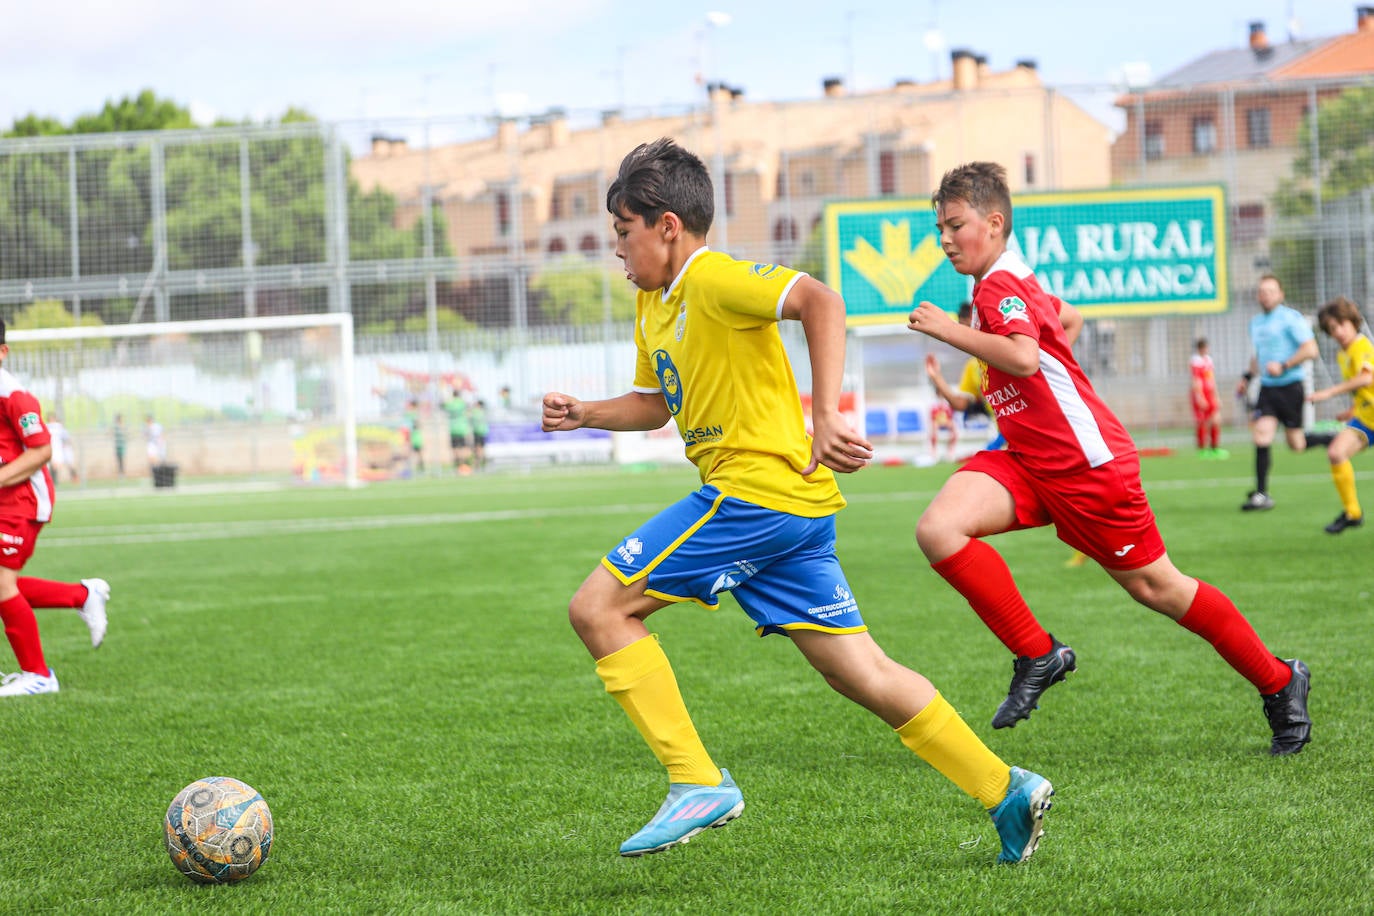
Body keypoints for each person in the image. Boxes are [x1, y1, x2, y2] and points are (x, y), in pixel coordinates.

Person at [541, 139, 1054, 864]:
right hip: (791, 512)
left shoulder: (712, 276)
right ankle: (1005, 789)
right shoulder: (655, 307)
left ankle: (695, 780)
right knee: (866, 675)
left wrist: (825, 415)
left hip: (756, 494)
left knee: (598, 608)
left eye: (623, 234)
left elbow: (820, 299)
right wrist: (587, 412)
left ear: (666, 226)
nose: (617, 252)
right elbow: (657, 406)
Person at [906, 161, 1310, 756]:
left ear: (994, 223)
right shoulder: (1002, 279)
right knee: (939, 529)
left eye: (955, 226)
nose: (944, 239)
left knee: (1159, 589)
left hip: (1088, 468)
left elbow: (1020, 357)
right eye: (939, 227)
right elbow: (1065, 319)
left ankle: (1281, 681)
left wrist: (948, 330)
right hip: (1030, 461)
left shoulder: (998, 285)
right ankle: (1037, 653)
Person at [0, 319, 111, 697]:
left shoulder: (15, 395)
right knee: (3, 585)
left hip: (22, 502)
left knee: (1, 585)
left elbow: (42, 451)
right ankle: (82, 596)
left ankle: (39, 676)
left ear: (2, 352)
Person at [1235, 274, 1331, 510]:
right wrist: (1247, 377)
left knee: (1296, 444)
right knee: (1261, 435)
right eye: (1262, 291)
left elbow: (1311, 349)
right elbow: (1259, 356)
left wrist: (1285, 365)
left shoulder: (1291, 319)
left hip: (1290, 387)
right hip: (1268, 388)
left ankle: (1330, 438)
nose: (1265, 295)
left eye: (1270, 291)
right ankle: (1261, 494)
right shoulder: (1256, 323)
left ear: (1280, 294)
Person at [1309, 296, 1374, 534]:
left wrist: (1328, 392)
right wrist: (1351, 410)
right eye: (1332, 329)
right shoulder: (1341, 354)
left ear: (1352, 322)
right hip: (1367, 419)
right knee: (1336, 452)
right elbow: (1364, 390)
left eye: (1341, 325)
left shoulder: (1362, 346)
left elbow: (1367, 378)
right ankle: (1352, 513)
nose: (1338, 332)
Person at [1190, 339, 1227, 460]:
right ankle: (1202, 449)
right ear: (1200, 349)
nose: (1206, 350)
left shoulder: (1208, 360)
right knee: (1202, 421)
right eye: (1204, 348)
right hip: (1200, 394)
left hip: (1210, 394)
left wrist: (1216, 396)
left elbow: (1211, 379)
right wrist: (1199, 396)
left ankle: (1214, 448)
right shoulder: (1195, 361)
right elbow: (1196, 380)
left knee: (1216, 419)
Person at [443, 390, 473, 475]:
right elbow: (468, 408)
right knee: (463, 448)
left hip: (453, 429)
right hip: (462, 428)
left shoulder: (450, 403)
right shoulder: (462, 403)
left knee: (455, 449)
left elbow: (443, 406)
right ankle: (465, 466)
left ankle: (459, 467)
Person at [46, 414, 78, 484]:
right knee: (53, 465)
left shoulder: (59, 427)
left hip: (61, 449)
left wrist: (66, 445)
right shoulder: (48, 427)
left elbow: (66, 438)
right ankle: (53, 481)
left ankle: (75, 477)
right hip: (52, 449)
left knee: (68, 464)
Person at [403, 399, 425, 475]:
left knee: (416, 453)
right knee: (414, 454)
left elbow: (417, 424)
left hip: (414, 436)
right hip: (414, 436)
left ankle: (419, 469)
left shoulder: (413, 414)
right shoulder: (414, 414)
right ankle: (413, 470)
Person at [470, 399, 489, 470]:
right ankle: (483, 464)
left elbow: (470, 416)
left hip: (477, 432)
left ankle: (477, 465)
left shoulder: (476, 412)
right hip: (483, 432)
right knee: (482, 449)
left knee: (477, 450)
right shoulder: (484, 412)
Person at [112, 413, 127, 478]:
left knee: (121, 459)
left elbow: (124, 434)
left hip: (121, 445)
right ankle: (120, 473)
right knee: (119, 459)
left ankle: (122, 473)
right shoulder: (116, 427)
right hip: (117, 446)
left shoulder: (121, 426)